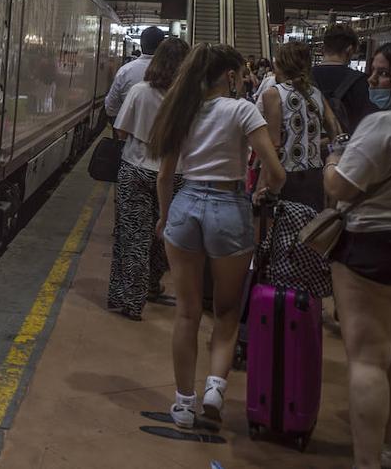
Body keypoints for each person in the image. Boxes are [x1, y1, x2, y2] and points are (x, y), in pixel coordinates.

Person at [149, 43, 286, 428]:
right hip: (229, 207)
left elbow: (164, 176)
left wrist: (164, 218)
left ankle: (182, 404)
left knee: (187, 312)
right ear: (230, 76)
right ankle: (214, 389)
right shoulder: (242, 110)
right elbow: (275, 172)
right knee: (225, 311)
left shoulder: (182, 110)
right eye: (241, 75)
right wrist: (265, 192)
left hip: (186, 205)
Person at [324, 38, 391, 469]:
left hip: (375, 242)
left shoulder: (386, 124)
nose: (372, 79)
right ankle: (386, 449)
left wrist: (332, 160)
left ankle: (366, 463)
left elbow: (341, 187)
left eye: (385, 72)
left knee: (367, 359)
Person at [109, 37, 190, 320]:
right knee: (164, 236)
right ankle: (152, 284)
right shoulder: (189, 100)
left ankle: (131, 300)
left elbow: (120, 131)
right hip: (175, 175)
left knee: (133, 238)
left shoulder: (140, 91)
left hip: (136, 168)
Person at [257, 41, 337, 298]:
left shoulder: (273, 93)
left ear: (279, 64)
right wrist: (313, 143)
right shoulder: (316, 93)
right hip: (314, 176)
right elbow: (336, 131)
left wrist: (262, 185)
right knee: (308, 237)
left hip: (285, 175)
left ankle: (280, 291)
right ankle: (305, 290)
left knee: (280, 236)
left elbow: (274, 144)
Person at [312, 24, 373, 136]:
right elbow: (367, 123)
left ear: (322, 49)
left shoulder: (303, 78)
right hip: (345, 148)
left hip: (308, 148)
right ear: (350, 50)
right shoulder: (360, 81)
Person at [105, 26, 165, 118]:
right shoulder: (171, 71)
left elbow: (110, 107)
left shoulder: (125, 71)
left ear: (141, 44)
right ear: (162, 45)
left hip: (128, 128)